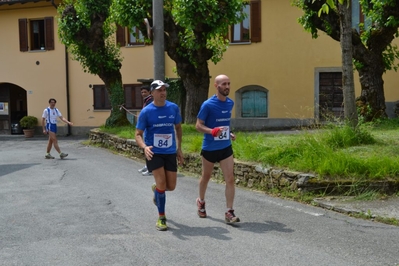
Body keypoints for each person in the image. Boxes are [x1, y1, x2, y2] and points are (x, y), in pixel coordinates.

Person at [135, 80, 184, 231]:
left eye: (164, 90)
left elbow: (178, 128)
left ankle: (157, 190)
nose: (163, 92)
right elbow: (138, 134)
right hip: (154, 152)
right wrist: (144, 147)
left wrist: (179, 149)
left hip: (169, 152)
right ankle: (161, 217)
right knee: (162, 184)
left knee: (171, 186)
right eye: (159, 90)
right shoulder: (146, 111)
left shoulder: (173, 108)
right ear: (152, 93)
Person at [195, 74, 240, 224]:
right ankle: (201, 201)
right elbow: (198, 125)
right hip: (209, 148)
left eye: (229, 83)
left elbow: (225, 123)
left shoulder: (230, 103)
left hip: (225, 147)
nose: (227, 87)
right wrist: (211, 131)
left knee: (230, 179)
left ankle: (229, 211)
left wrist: (229, 133)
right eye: (224, 84)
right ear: (216, 86)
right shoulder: (207, 105)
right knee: (206, 177)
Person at [137, 85, 154, 176]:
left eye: (145, 92)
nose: (143, 94)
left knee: (148, 147)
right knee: (146, 145)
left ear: (149, 92)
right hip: (146, 127)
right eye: (142, 92)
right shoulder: (146, 101)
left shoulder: (150, 101)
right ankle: (147, 166)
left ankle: (150, 168)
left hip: (149, 128)